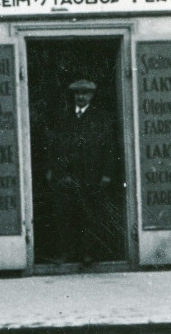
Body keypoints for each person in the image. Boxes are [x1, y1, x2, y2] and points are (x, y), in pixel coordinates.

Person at [45, 77, 115, 265]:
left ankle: (88, 254)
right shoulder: (64, 117)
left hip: (91, 175)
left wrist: (107, 174)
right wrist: (51, 169)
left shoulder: (101, 118)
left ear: (91, 95)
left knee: (89, 215)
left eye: (85, 93)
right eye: (77, 93)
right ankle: (65, 253)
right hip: (66, 175)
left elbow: (109, 148)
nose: (81, 97)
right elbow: (53, 145)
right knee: (65, 215)